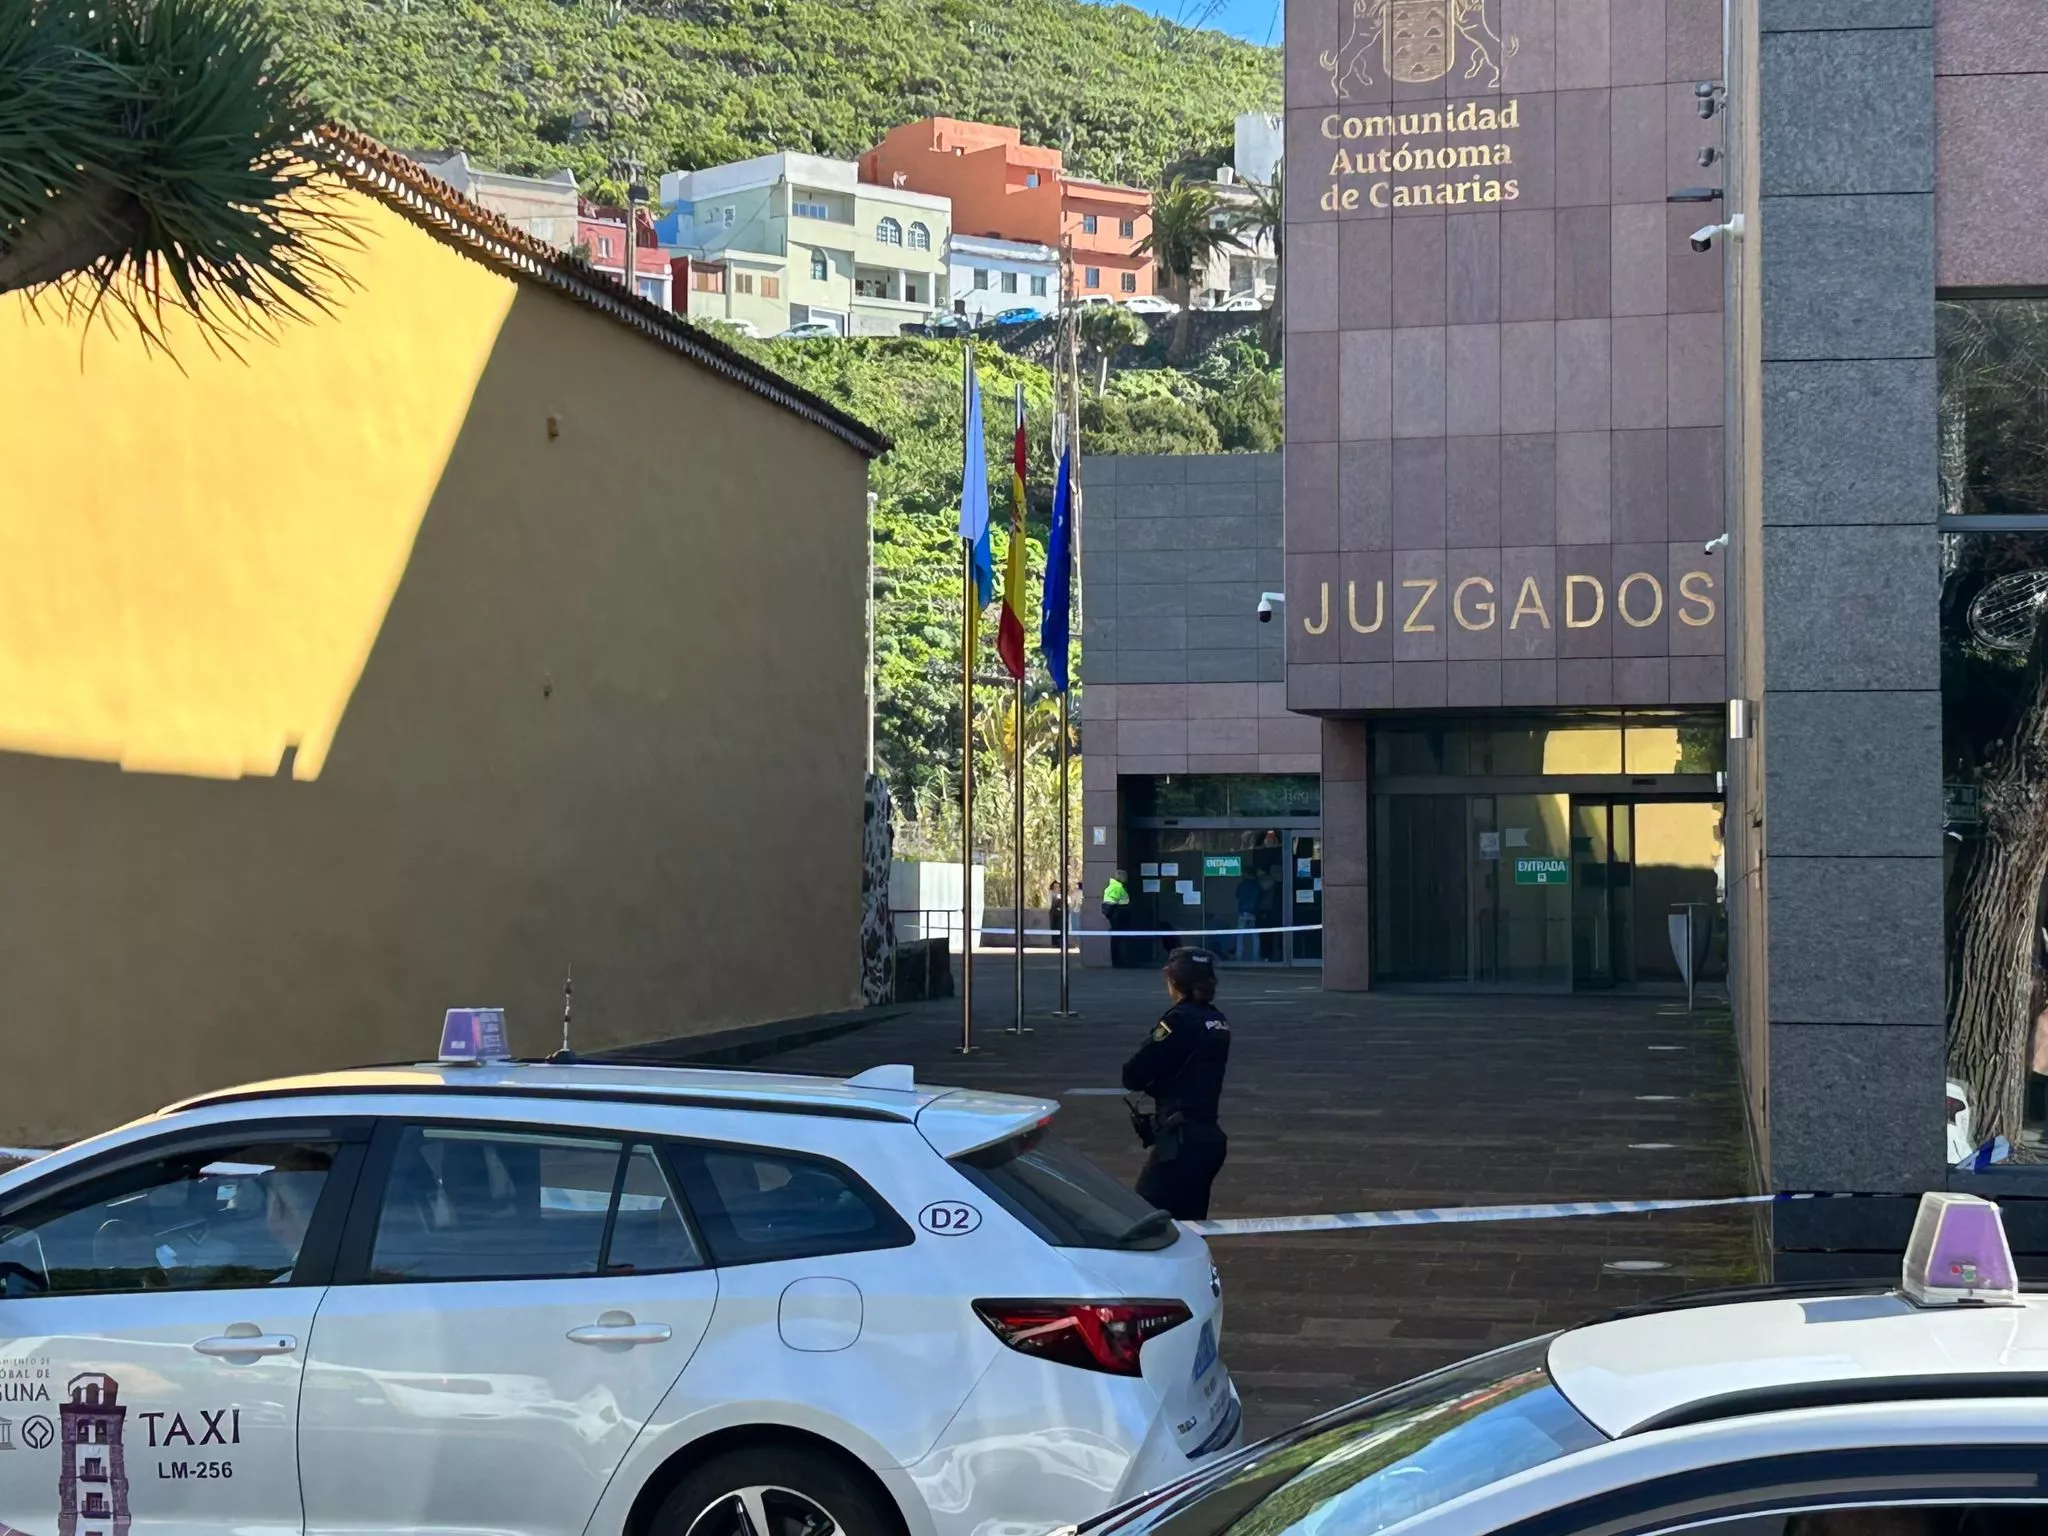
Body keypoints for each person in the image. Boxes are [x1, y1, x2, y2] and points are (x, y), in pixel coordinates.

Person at [1121, 947, 1231, 1220]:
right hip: (1207, 1136)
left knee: (1144, 1220)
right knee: (1191, 1224)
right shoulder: (1217, 1020)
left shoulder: (1177, 1021)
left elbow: (1133, 1073)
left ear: (1176, 982)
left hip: (1180, 1141)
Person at [1101, 869, 1132, 967]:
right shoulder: (1117, 888)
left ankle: (1118, 961)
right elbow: (1111, 903)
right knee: (1117, 941)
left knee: (1116, 939)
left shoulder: (1112, 886)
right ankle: (1117, 961)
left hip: (1115, 916)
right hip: (1117, 917)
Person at [1234, 870, 1261, 963]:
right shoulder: (1257, 885)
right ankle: (1255, 957)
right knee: (1255, 936)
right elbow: (1260, 897)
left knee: (1240, 936)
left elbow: (1237, 894)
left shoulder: (1242, 885)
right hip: (1252, 913)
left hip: (1242, 912)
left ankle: (1238, 955)